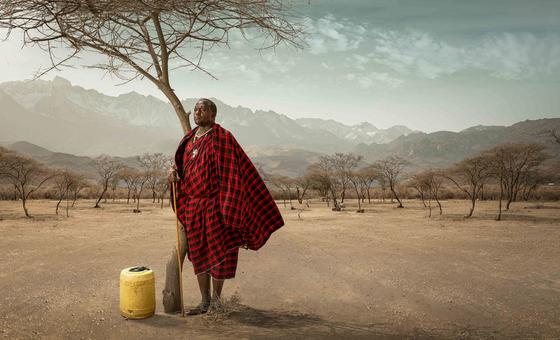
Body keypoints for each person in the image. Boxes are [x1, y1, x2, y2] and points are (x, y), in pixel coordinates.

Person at [168, 98, 284, 315]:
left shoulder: (222, 138)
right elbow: (181, 167)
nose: (197, 112)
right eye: (195, 109)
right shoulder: (189, 139)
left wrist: (227, 208)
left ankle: (216, 302)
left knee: (219, 255)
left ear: (213, 114)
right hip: (193, 206)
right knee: (198, 254)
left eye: (203, 109)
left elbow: (233, 175)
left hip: (215, 206)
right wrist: (173, 174)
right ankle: (204, 301)